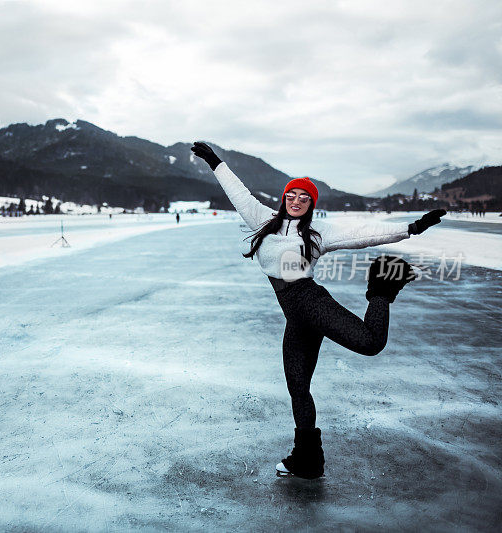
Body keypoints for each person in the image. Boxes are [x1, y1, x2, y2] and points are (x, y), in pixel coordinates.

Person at [191, 142, 446, 480]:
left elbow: (362, 235)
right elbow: (238, 193)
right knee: (298, 387)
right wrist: (215, 162)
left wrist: (409, 229)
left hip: (312, 303)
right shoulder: (263, 220)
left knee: (370, 343)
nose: (296, 201)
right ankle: (307, 460)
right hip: (295, 318)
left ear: (311, 204)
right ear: (284, 198)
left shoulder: (317, 233)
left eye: (304, 197)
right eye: (292, 195)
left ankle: (382, 287)